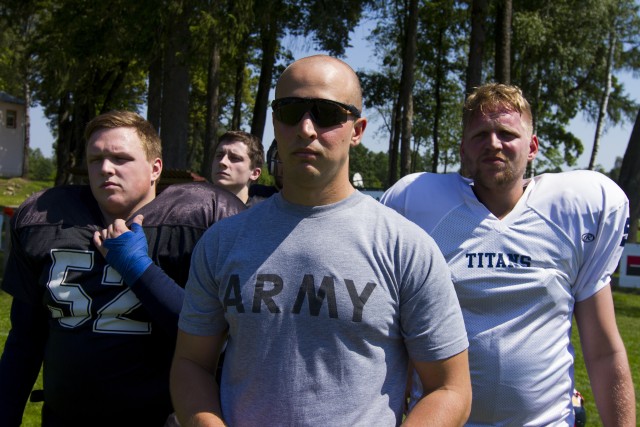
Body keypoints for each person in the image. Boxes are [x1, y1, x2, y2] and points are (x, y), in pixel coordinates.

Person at [170, 54, 472, 427]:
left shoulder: (406, 247)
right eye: (291, 110)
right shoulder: (222, 242)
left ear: (357, 129)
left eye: (327, 113)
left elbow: (449, 389)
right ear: (275, 122)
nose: (306, 128)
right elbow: (190, 364)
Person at [381, 83, 636, 426]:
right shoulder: (419, 207)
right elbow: (397, 341)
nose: (493, 143)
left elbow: (603, 350)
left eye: (506, 133)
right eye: (480, 134)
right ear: (463, 150)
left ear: (532, 147)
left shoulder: (570, 214)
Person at [0, 111, 246, 426]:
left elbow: (220, 336)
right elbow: (25, 338)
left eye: (120, 158)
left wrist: (138, 269)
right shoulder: (43, 220)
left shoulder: (203, 220)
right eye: (95, 158)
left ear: (155, 167)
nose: (105, 169)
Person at [210, 130, 264, 206]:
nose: (222, 162)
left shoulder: (265, 216)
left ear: (255, 173)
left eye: (235, 158)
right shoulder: (193, 210)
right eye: (219, 155)